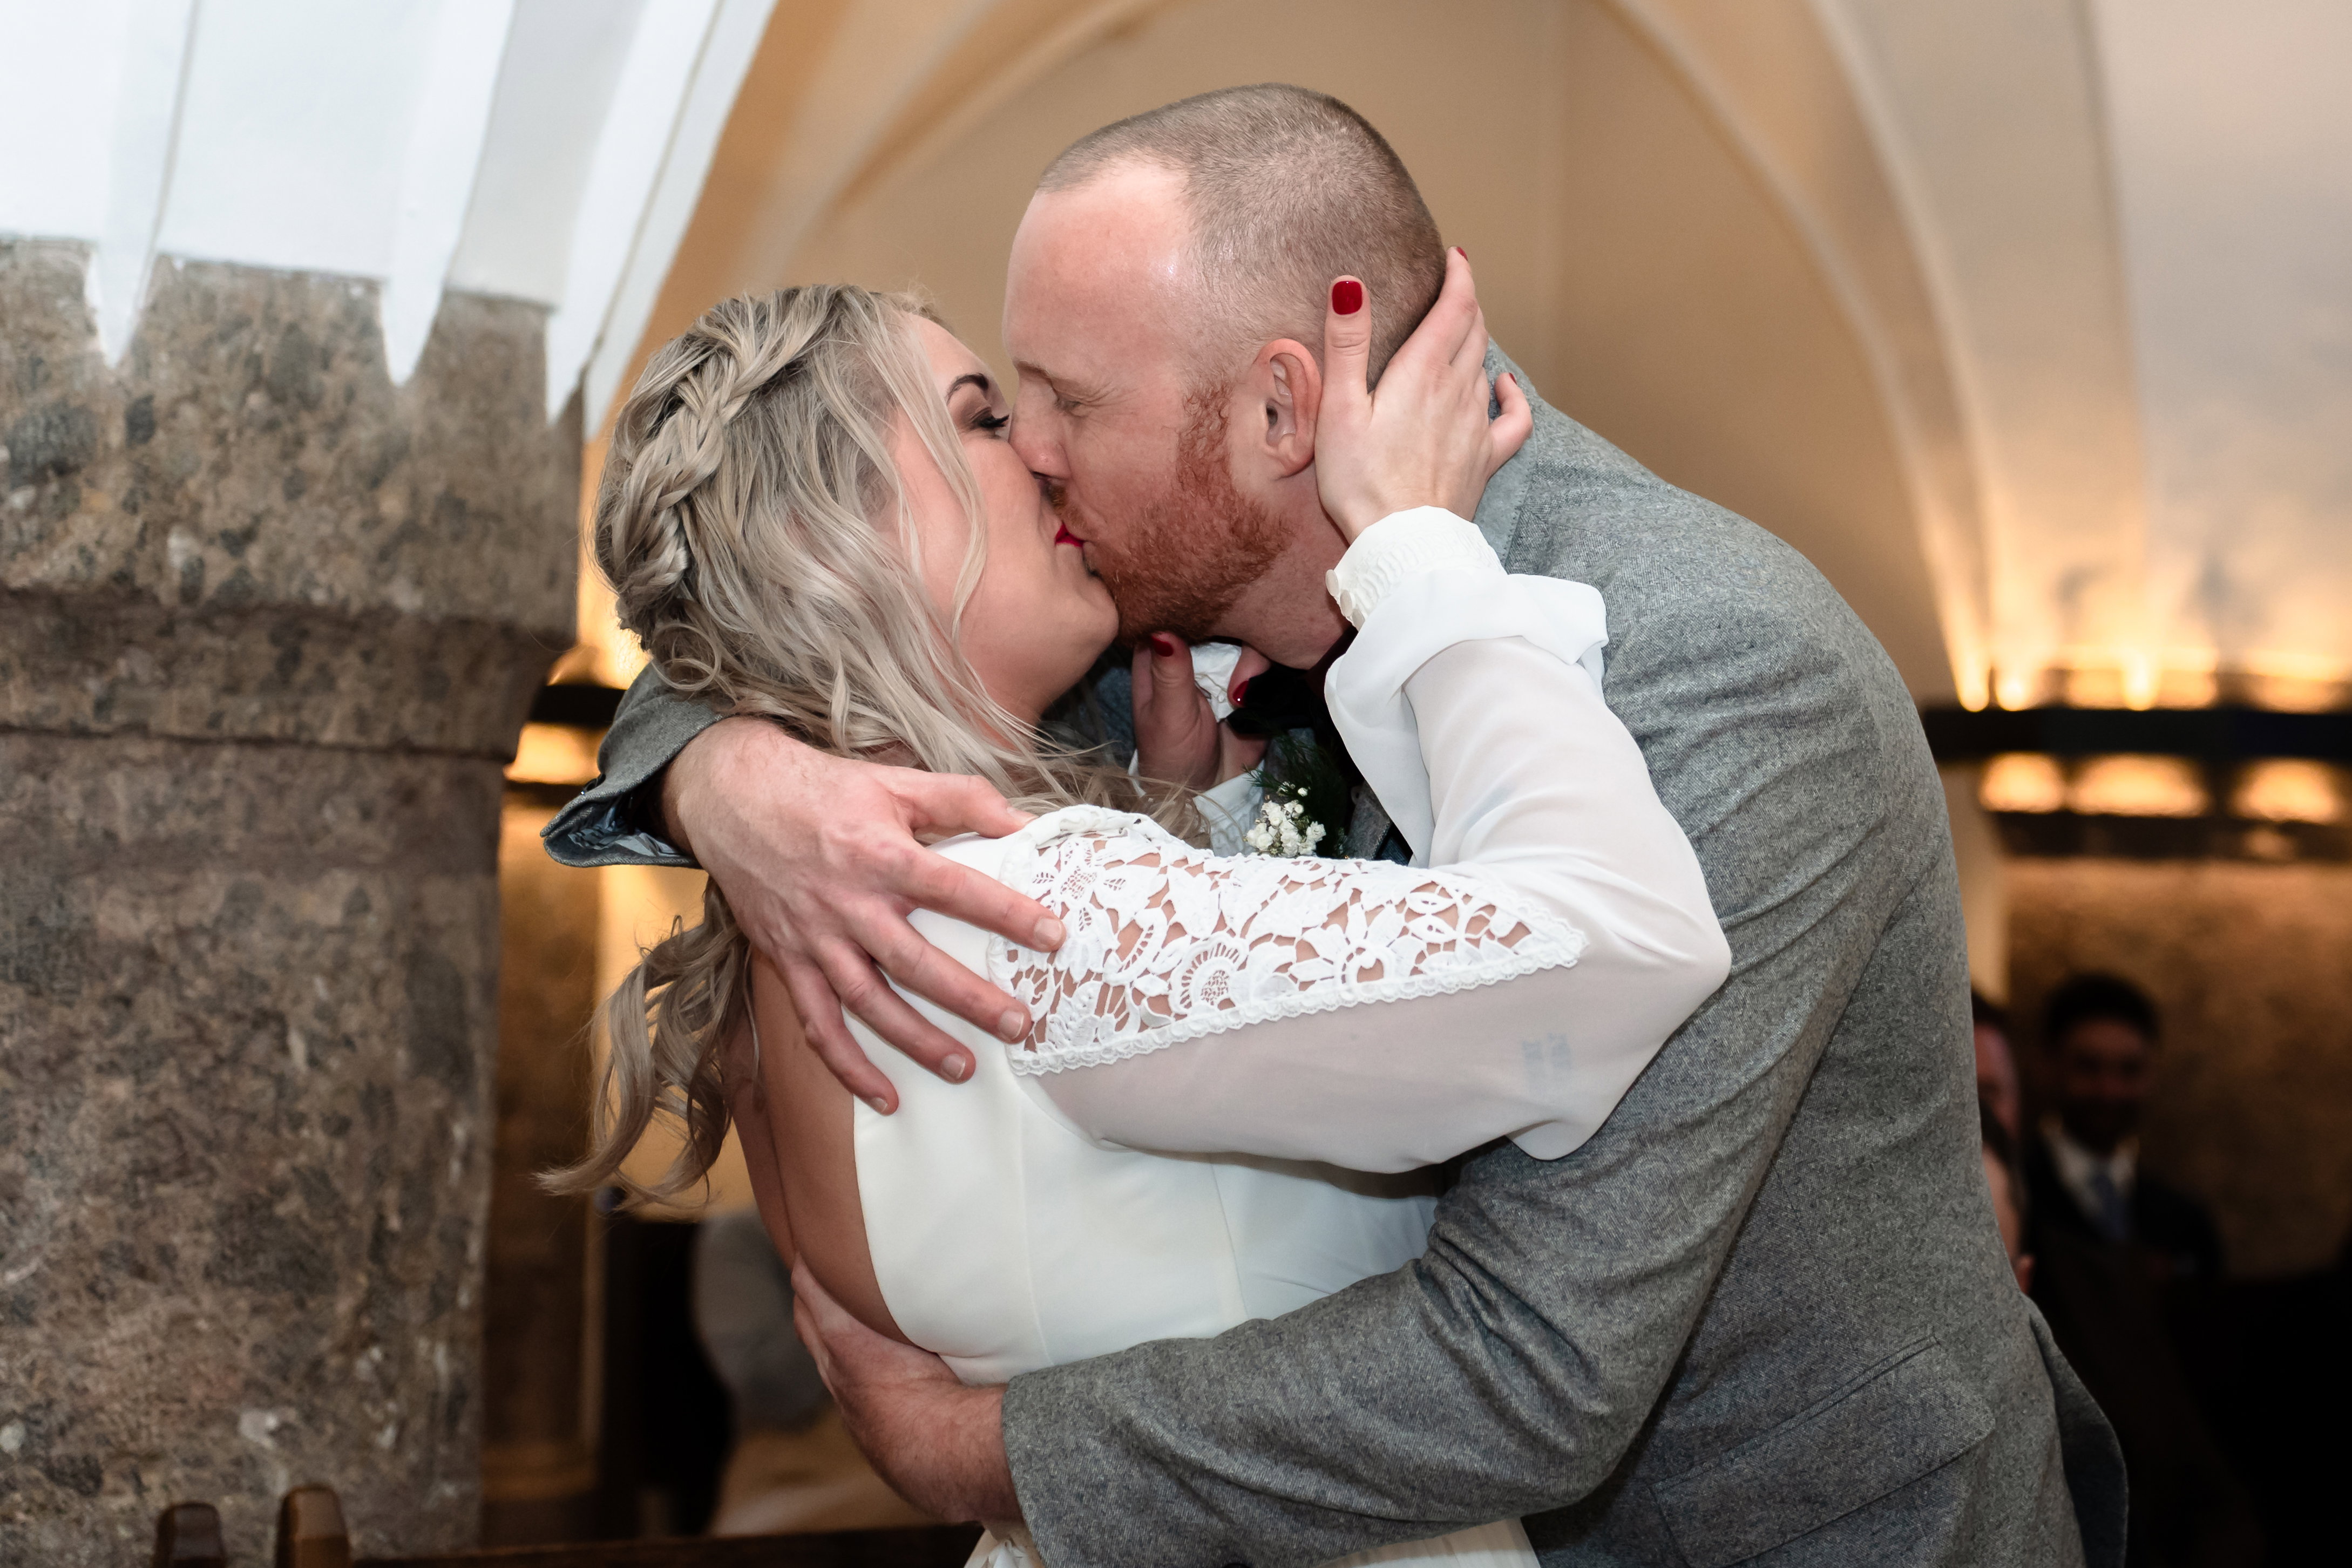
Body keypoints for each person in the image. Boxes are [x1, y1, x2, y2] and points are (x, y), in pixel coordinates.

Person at [549, 84, 2123, 1568]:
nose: (1032, 448)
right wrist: (737, 778)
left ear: (1282, 408)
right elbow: (776, 595)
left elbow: (1525, 1359)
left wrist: (991, 1453)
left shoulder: (1715, 665)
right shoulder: (1118, 619)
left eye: (1063, 401)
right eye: (999, 400)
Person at [550, 265, 1725, 1568]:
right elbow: (1618, 936)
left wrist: (1188, 822)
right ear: (839, 533)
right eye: (985, 418)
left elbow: (1112, 1229)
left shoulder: (798, 941)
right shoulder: (1022, 911)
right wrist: (1422, 558)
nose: (1047, 457)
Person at [2023, 973, 2224, 1285]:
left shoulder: (2185, 1223)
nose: (2110, 1091)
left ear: (2152, 1073)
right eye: (2089, 1067)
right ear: (2048, 1067)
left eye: (2129, 1070)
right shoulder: (2013, 1201)